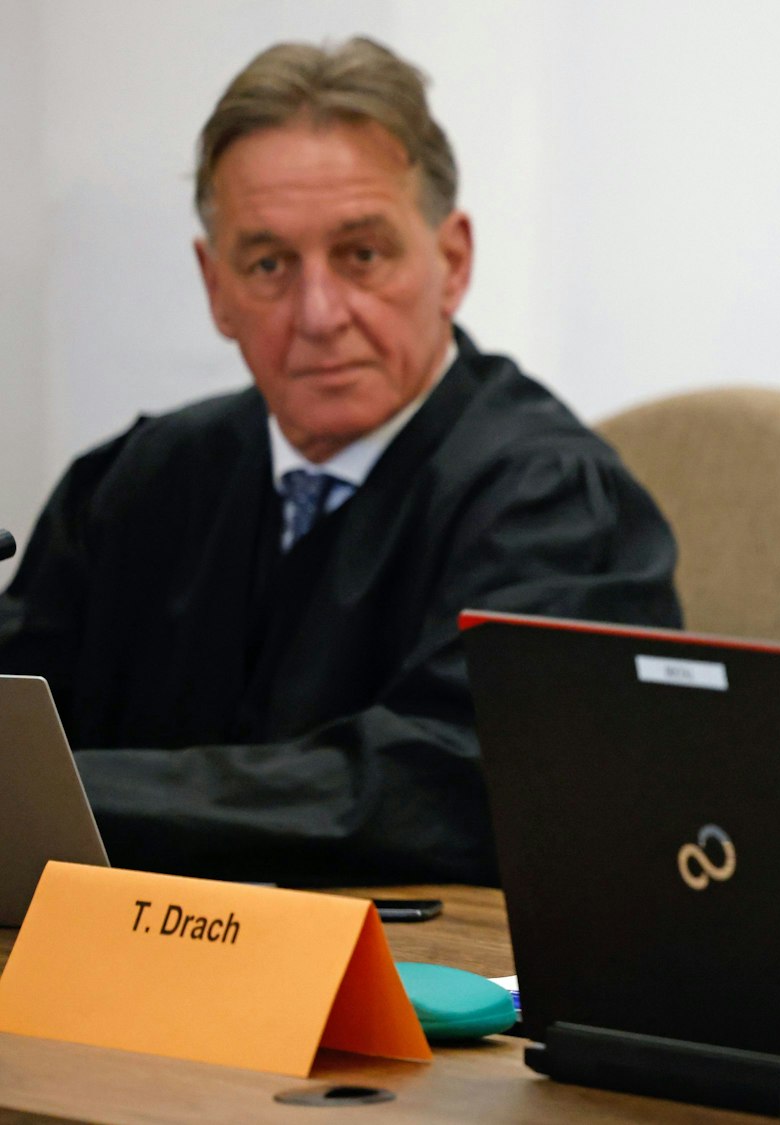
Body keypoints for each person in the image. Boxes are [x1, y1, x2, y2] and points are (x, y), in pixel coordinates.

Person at [0, 38, 682, 886]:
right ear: (216, 287)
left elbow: (449, 785)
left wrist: (79, 797)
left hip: (422, 964)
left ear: (452, 262)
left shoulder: (551, 506)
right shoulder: (139, 483)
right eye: (269, 265)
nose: (320, 314)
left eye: (362, 255)